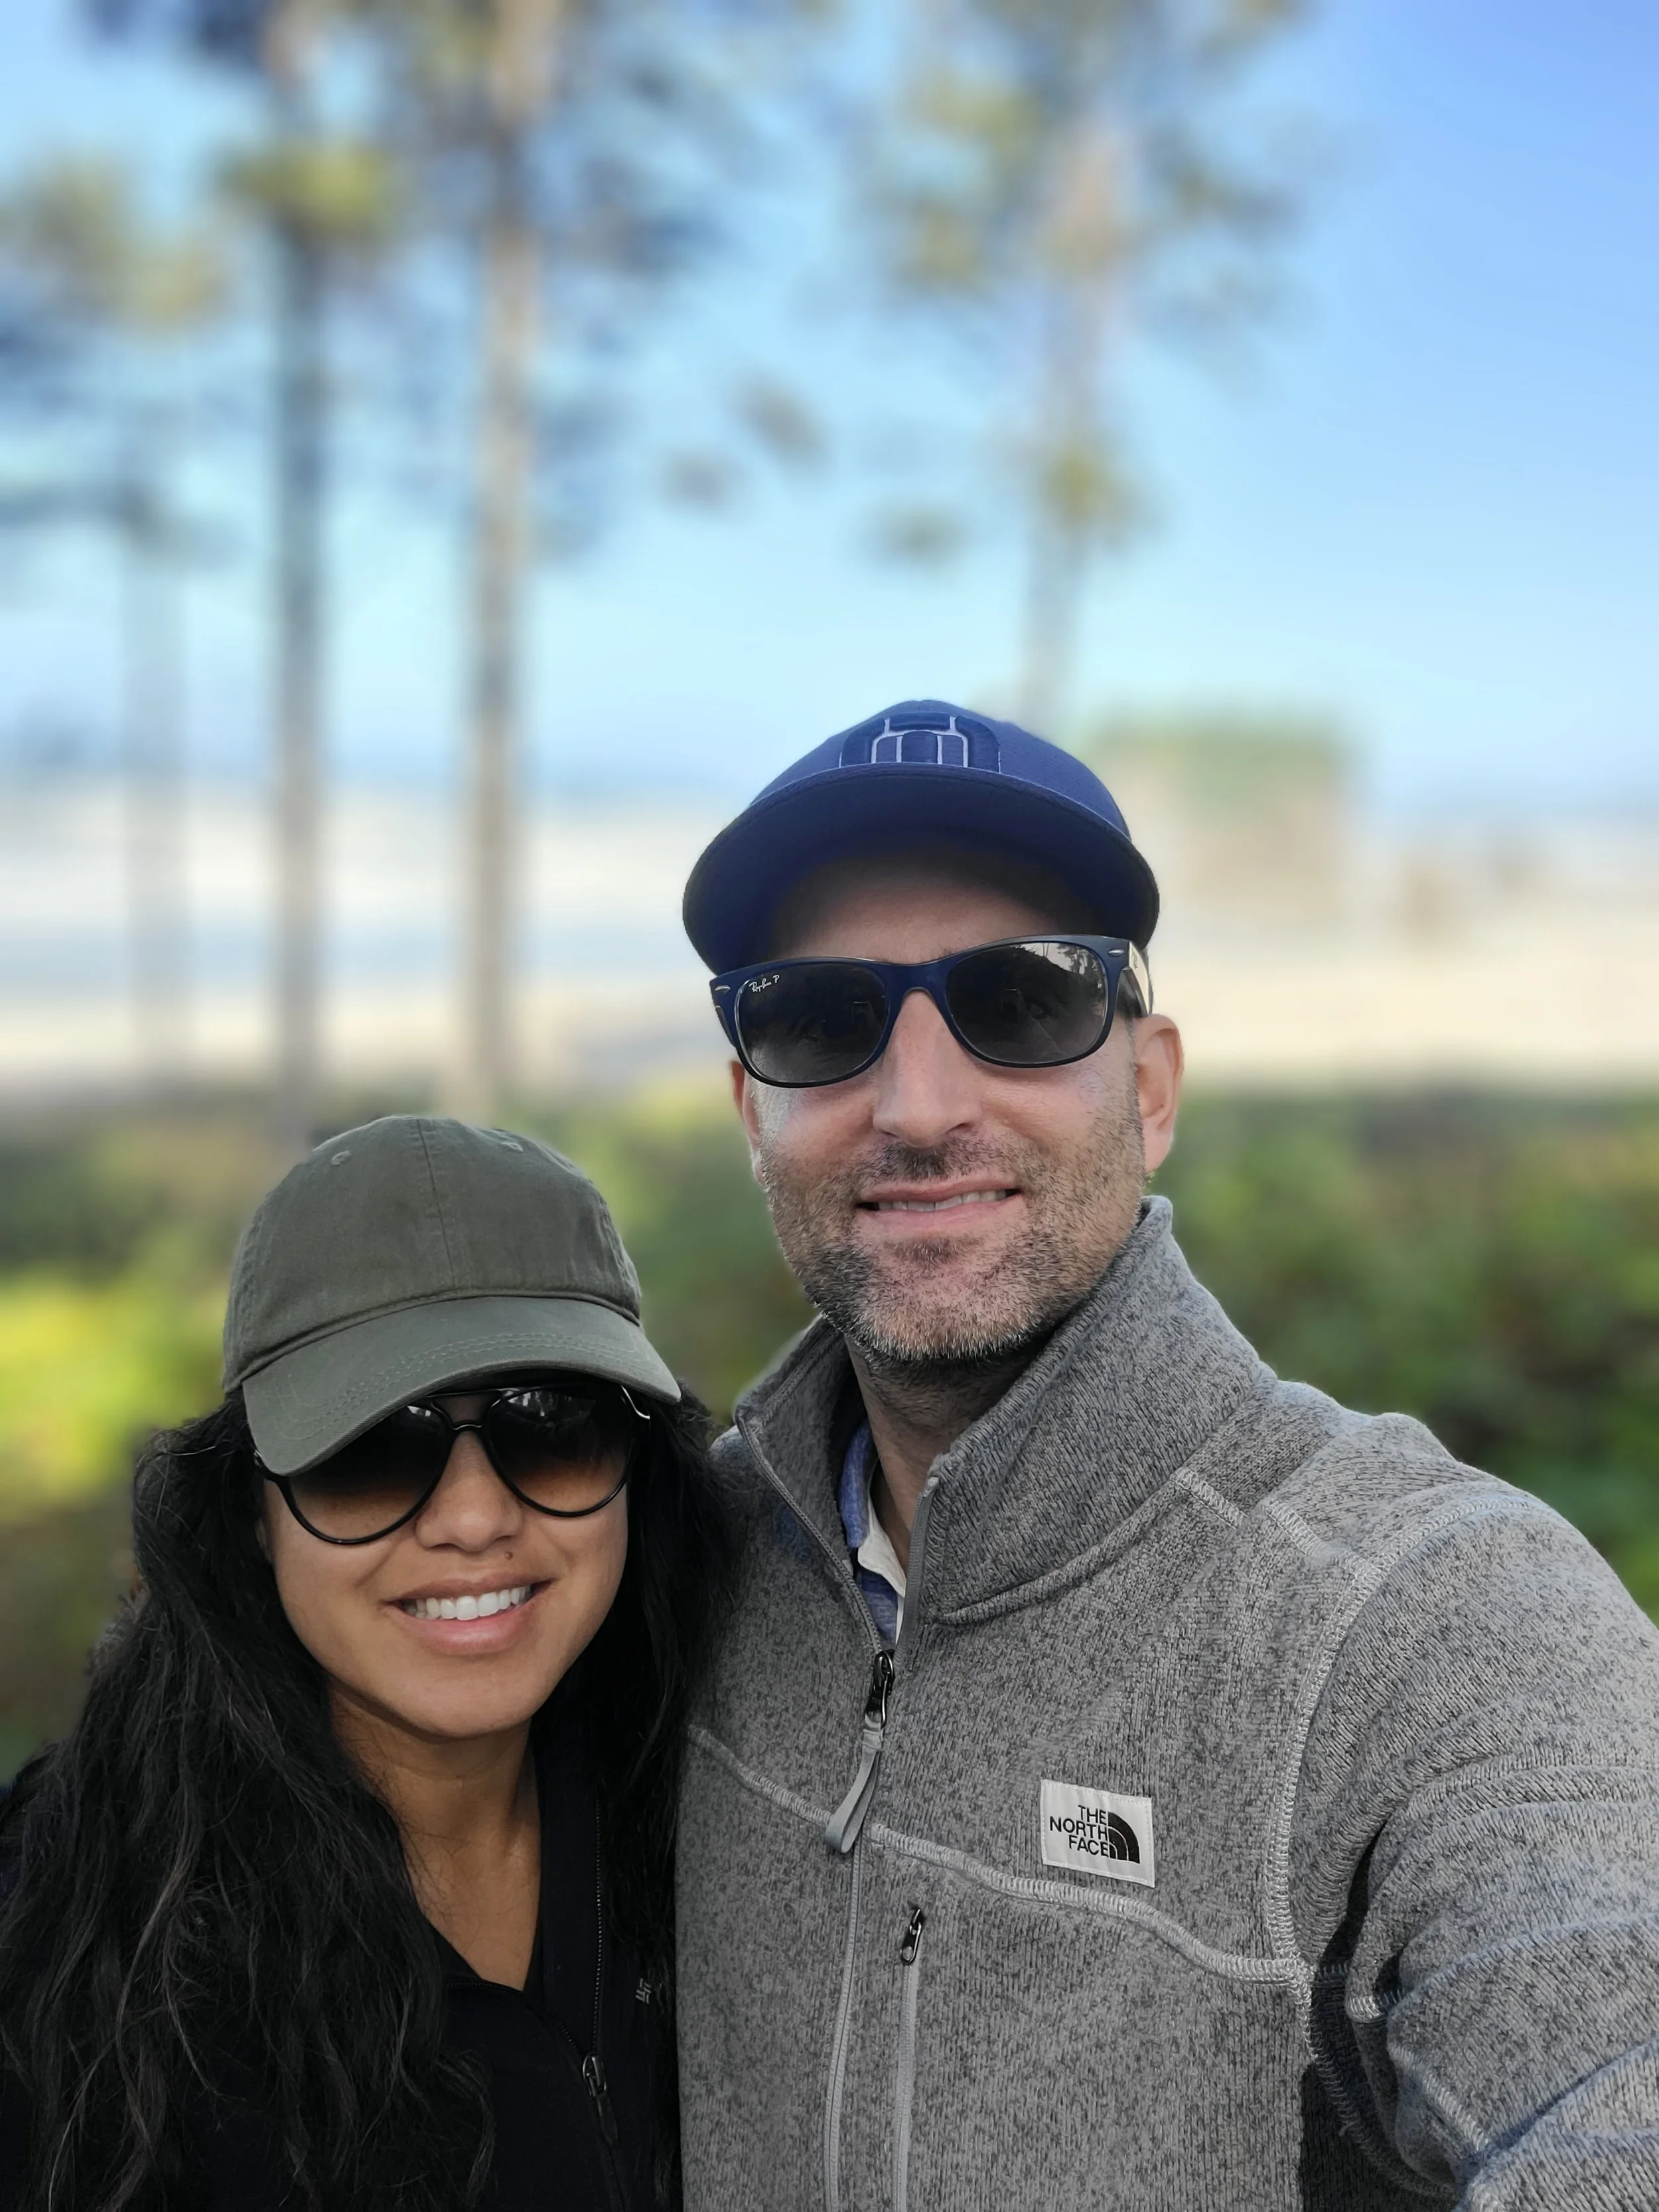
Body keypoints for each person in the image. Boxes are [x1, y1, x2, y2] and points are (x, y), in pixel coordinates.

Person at [672, 698, 1659, 2210]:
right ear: (754, 1105)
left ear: (1149, 1086)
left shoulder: (1411, 1623)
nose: (919, 1104)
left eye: (1020, 1001)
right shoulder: (680, 1558)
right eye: (818, 1015)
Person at [0, 1114, 725, 2212]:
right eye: (375, 1448)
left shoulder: (719, 1796)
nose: (476, 1517)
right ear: (250, 1510)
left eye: (550, 1422)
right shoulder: (61, 1952)